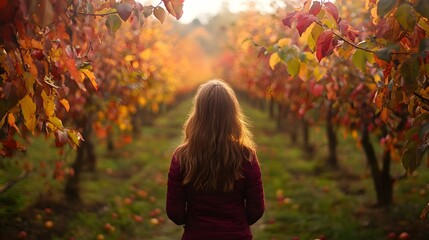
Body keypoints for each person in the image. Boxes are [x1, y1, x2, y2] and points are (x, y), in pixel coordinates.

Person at [166, 79, 265, 240]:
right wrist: (236, 224)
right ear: (232, 113)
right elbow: (256, 210)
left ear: (198, 112)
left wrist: (194, 222)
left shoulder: (181, 156)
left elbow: (174, 212)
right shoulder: (246, 156)